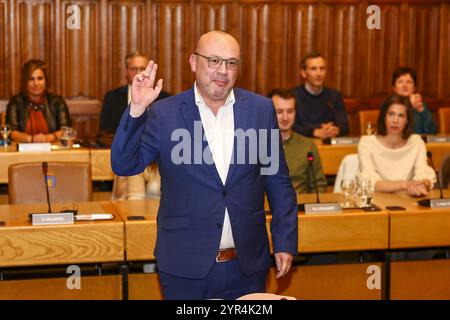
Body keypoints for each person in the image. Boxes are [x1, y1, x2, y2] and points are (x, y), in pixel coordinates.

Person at [111, 30, 298, 300]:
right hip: (185, 266)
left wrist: (284, 241)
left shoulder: (260, 109)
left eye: (231, 62)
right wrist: (137, 108)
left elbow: (277, 179)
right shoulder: (164, 113)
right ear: (193, 62)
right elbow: (123, 165)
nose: (223, 70)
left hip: (248, 265)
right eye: (213, 60)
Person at [358, 94, 436, 196]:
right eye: (391, 114)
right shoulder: (367, 143)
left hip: (406, 200)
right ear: (383, 117)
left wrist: (424, 184)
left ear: (407, 120)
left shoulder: (416, 142)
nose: (395, 121)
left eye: (401, 116)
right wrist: (404, 185)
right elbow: (370, 183)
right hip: (376, 201)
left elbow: (424, 175)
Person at [268, 88, 327, 194]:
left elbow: (318, 185)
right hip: (267, 209)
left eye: (290, 111)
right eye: (279, 112)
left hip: (300, 207)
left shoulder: (308, 145)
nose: (285, 117)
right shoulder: (257, 145)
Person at [99, 51, 171, 135]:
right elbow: (105, 130)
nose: (138, 73)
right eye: (133, 68)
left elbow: (168, 128)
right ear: (126, 71)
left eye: (142, 68)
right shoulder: (112, 97)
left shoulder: (164, 98)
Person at [6, 59, 71, 143]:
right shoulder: (15, 102)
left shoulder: (57, 101)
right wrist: (30, 139)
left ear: (46, 81)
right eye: (31, 79)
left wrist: (49, 138)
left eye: (40, 78)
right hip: (23, 152)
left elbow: (66, 129)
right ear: (25, 82)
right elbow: (11, 132)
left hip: (53, 151)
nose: (36, 83)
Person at [291, 52, 349, 139]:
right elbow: (290, 127)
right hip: (302, 145)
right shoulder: (293, 96)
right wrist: (314, 132)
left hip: (328, 146)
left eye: (322, 68)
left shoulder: (334, 96)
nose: (319, 73)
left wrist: (334, 130)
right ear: (303, 73)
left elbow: (345, 127)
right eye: (313, 69)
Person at [391, 66, 437, 134]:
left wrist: (421, 110)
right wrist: (408, 107)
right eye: (400, 82)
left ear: (414, 87)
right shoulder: (387, 106)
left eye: (409, 82)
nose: (404, 85)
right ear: (394, 88)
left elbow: (432, 132)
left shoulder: (421, 106)